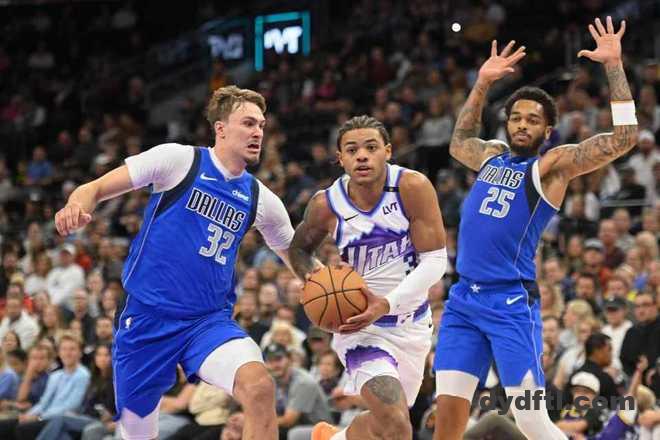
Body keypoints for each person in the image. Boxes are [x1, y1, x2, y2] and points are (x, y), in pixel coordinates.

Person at [433, 17, 638, 440]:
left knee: (530, 419)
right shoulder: (491, 155)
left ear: (547, 130)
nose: (522, 125)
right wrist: (482, 83)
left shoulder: (551, 167)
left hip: (510, 303)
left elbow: (624, 138)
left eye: (532, 120)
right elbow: (458, 142)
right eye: (516, 118)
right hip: (463, 300)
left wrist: (614, 66)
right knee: (447, 418)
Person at [54, 85, 296, 440]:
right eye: (248, 123)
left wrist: (332, 286)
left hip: (206, 322)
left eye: (261, 124)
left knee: (259, 387)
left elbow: (297, 255)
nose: (258, 132)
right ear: (221, 128)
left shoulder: (261, 198)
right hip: (147, 320)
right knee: (138, 434)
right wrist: (76, 205)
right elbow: (94, 188)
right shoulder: (179, 160)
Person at [288, 115, 448, 440]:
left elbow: (435, 260)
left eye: (371, 147)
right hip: (360, 328)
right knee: (397, 426)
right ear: (340, 158)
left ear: (387, 151)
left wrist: (385, 304)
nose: (362, 156)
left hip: (412, 325)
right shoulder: (326, 204)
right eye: (352, 150)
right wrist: (318, 278)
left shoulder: (411, 187)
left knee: (387, 426)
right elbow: (299, 249)